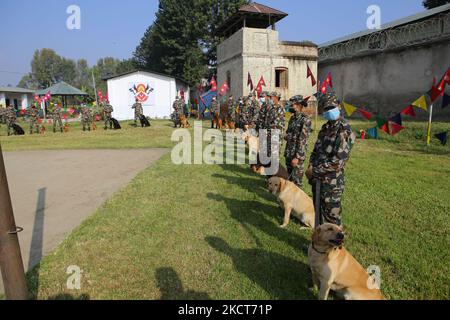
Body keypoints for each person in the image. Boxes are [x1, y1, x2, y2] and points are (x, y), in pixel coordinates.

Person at [306, 93, 356, 226]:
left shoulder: (344, 130)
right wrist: (310, 165)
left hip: (332, 183)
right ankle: (318, 245)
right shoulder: (325, 128)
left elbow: (337, 163)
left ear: (339, 106)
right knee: (318, 216)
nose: (328, 111)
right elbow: (316, 150)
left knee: (332, 220)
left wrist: (314, 171)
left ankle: (335, 247)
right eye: (325, 109)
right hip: (317, 180)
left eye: (331, 108)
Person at [284, 95, 312, 188]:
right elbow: (288, 133)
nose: (290, 107)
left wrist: (297, 157)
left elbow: (303, 140)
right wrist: (286, 136)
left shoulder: (305, 120)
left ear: (298, 105)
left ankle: (298, 201)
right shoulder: (292, 118)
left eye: (292, 105)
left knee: (296, 182)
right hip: (289, 152)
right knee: (289, 180)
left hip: (297, 155)